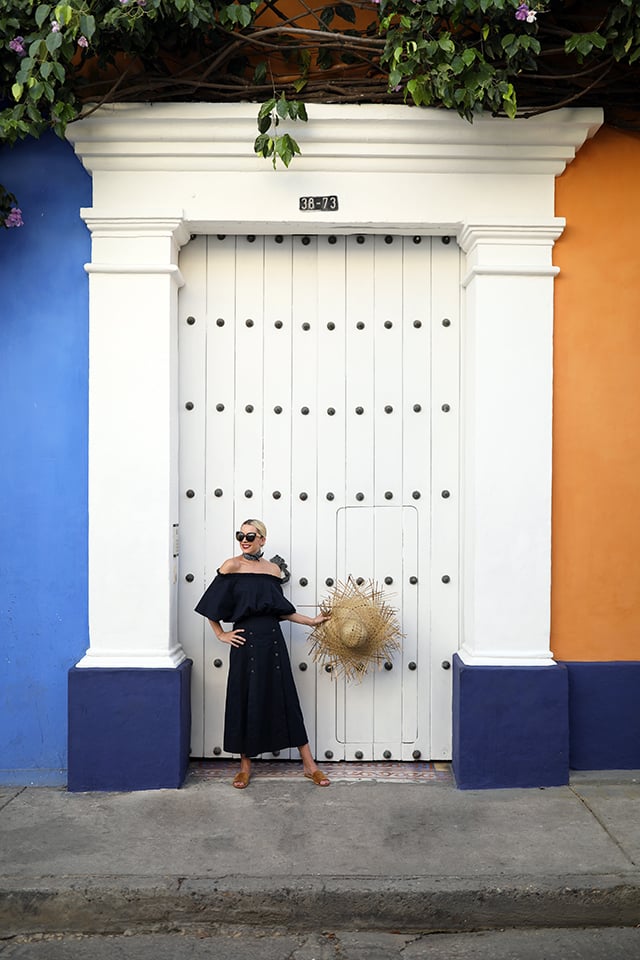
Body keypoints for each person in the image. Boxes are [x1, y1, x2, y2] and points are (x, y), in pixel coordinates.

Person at [195, 519, 331, 789]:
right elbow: (211, 605)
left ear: (262, 540)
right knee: (246, 699)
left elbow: (280, 609)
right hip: (245, 643)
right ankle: (245, 766)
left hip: (273, 641)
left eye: (250, 535)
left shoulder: (272, 570)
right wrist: (221, 634)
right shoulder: (231, 566)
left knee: (285, 697)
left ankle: (309, 765)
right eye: (240, 535)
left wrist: (311, 621)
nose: (244, 540)